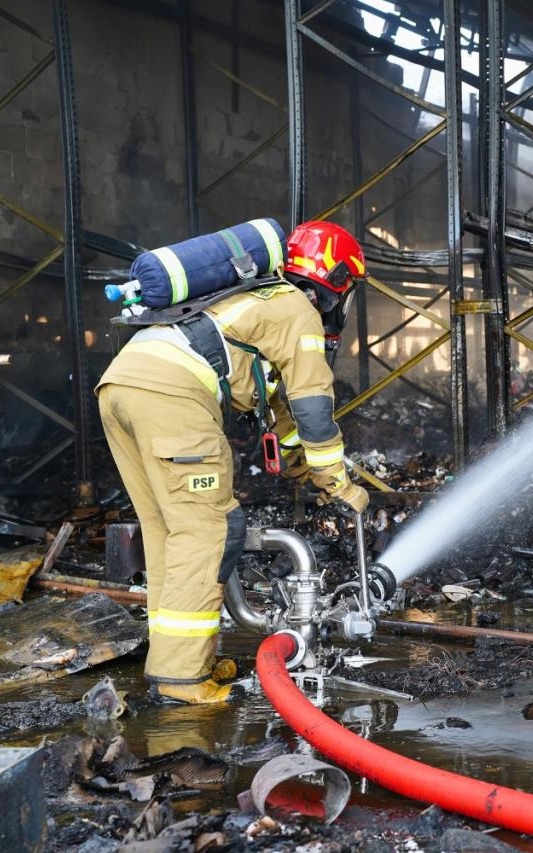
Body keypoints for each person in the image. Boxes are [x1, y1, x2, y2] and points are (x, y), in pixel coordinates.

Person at [96, 219, 370, 705]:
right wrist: (338, 482)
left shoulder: (248, 296)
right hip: (172, 394)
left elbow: (283, 413)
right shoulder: (296, 309)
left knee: (168, 532)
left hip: (121, 386)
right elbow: (312, 407)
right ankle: (184, 682)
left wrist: (299, 466)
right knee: (210, 531)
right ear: (333, 281)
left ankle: (175, 663)